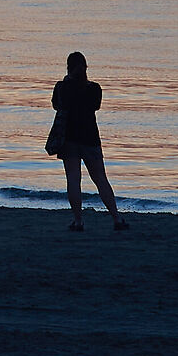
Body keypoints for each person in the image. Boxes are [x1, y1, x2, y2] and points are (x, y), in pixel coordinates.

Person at [44, 51, 127, 232]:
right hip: (90, 138)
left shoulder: (62, 87)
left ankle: (78, 221)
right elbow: (96, 106)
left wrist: (66, 82)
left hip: (69, 139)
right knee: (101, 179)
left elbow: (56, 105)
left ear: (68, 68)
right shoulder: (94, 88)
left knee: (73, 180)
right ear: (86, 68)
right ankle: (116, 218)